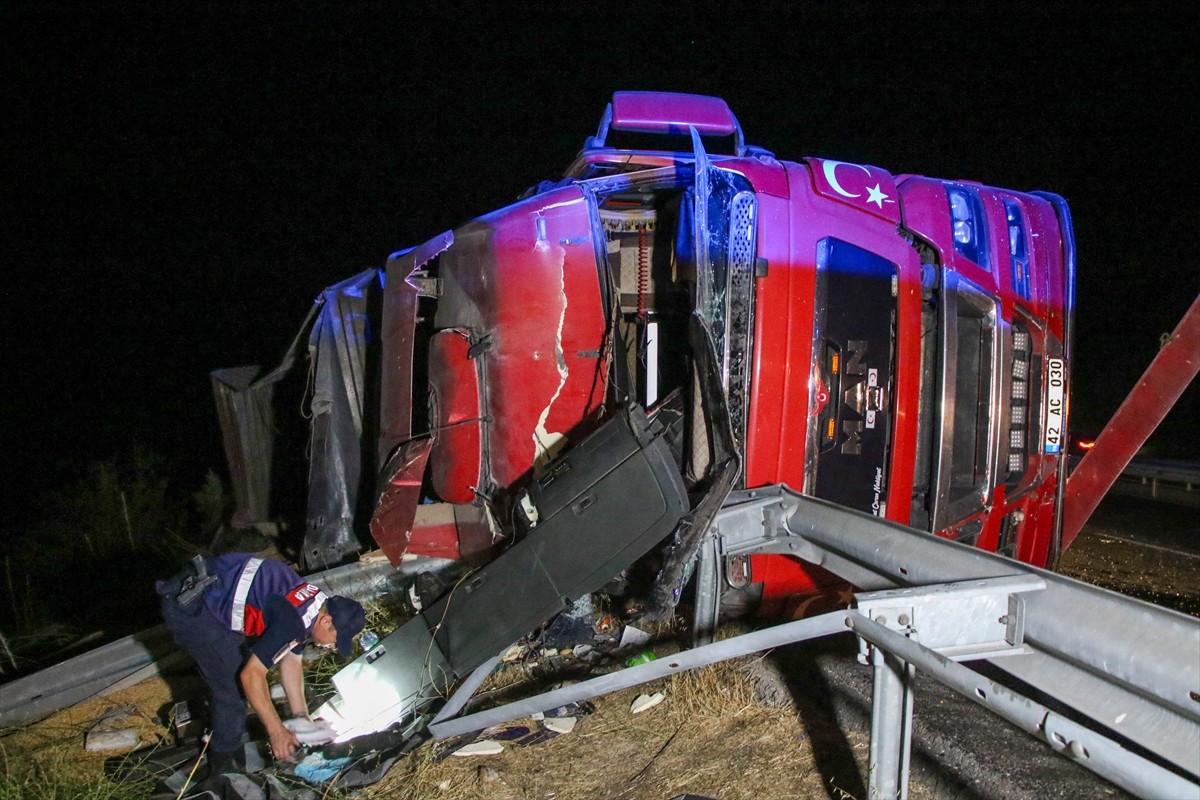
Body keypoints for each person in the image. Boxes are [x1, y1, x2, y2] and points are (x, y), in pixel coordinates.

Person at [157, 552, 366, 774]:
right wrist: (277, 732)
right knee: (233, 692)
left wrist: (302, 717)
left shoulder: (313, 602)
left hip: (207, 587)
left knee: (239, 668)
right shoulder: (292, 623)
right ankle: (222, 767)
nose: (332, 647)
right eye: (336, 640)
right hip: (192, 606)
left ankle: (225, 741)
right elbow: (250, 676)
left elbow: (292, 661)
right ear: (326, 621)